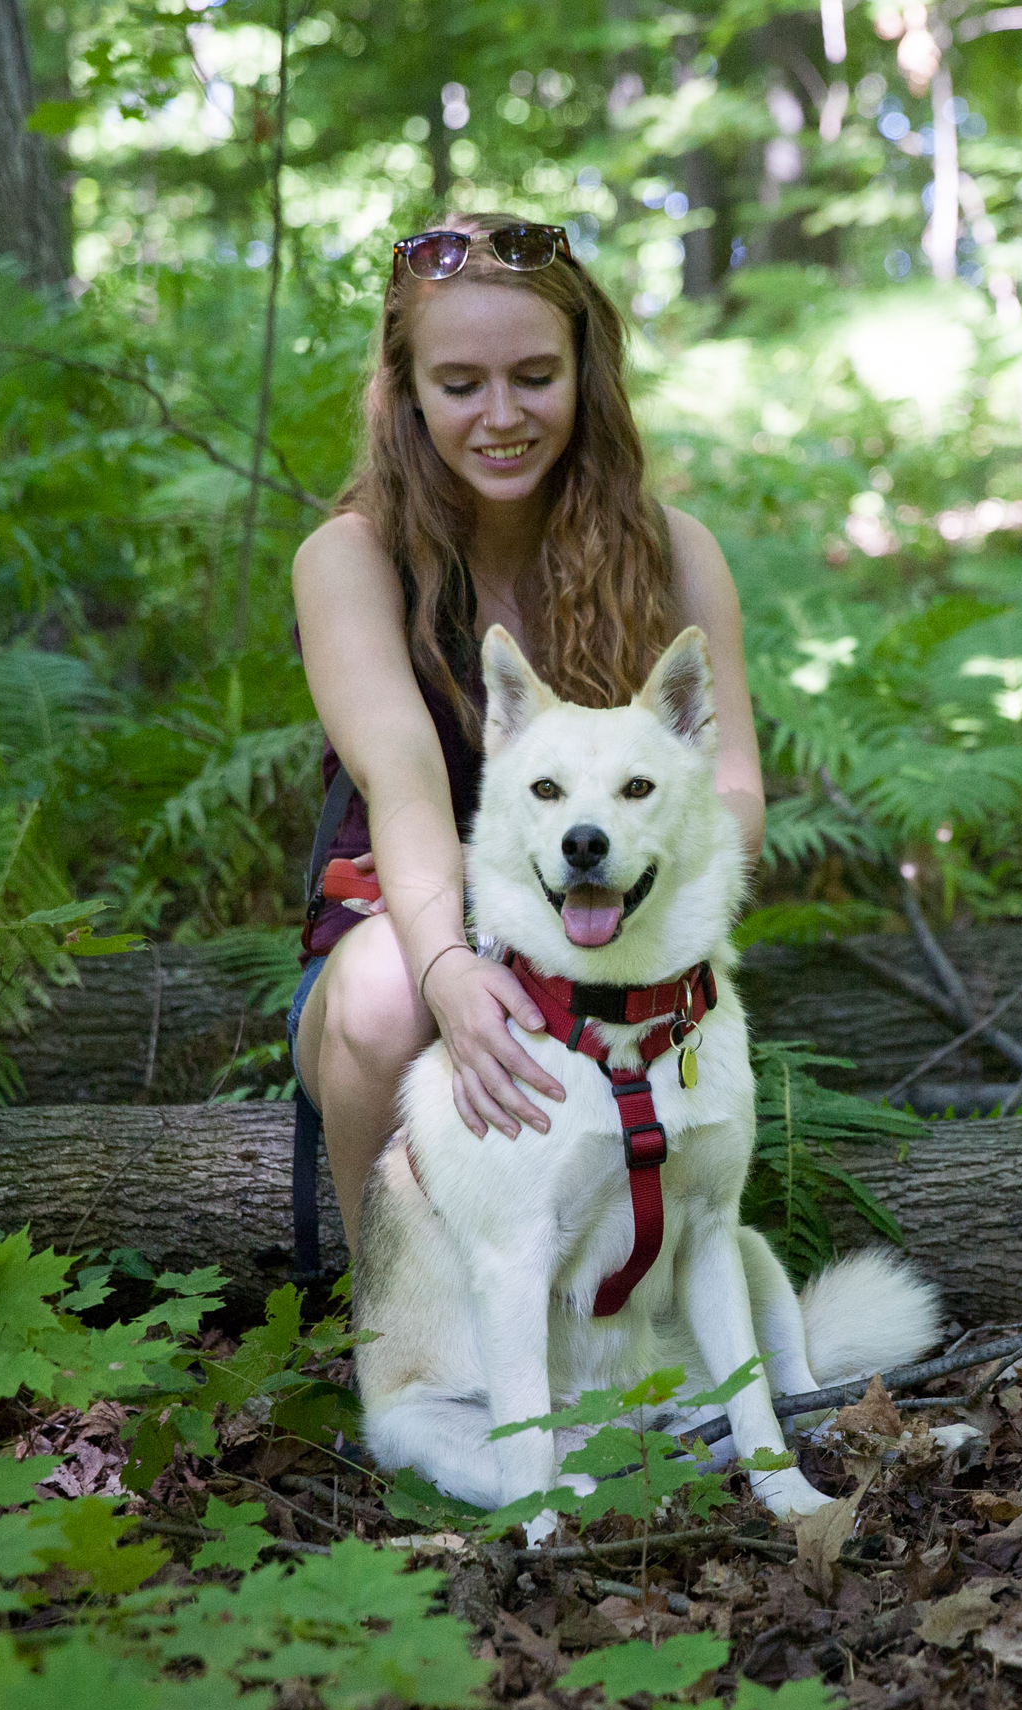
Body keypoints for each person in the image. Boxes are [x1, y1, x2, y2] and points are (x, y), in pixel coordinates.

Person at [288, 213, 764, 1254]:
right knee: (376, 999)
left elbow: (730, 791)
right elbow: (406, 780)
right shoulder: (351, 559)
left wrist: (623, 946)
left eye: (533, 377)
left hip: (620, 938)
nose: (500, 416)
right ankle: (397, 1326)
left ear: (583, 376)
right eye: (460, 384)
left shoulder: (675, 552)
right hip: (411, 930)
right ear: (406, 391)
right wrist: (452, 970)